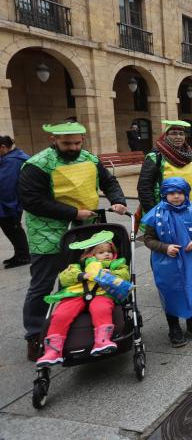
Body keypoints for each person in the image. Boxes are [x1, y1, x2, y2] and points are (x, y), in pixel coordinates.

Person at [18, 122, 126, 361]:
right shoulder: (37, 165)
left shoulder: (89, 158)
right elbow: (32, 200)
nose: (74, 148)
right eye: (67, 143)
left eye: (77, 143)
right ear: (53, 140)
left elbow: (108, 182)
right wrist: (73, 213)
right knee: (42, 284)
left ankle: (83, 325)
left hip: (85, 229)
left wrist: (117, 199)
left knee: (87, 274)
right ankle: (35, 335)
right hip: (48, 232)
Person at [36, 231, 131, 366]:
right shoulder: (79, 265)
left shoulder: (116, 264)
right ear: (91, 254)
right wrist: (81, 275)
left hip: (102, 293)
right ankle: (53, 350)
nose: (106, 254)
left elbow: (125, 275)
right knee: (61, 314)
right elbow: (64, 277)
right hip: (77, 293)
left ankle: (102, 340)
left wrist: (112, 274)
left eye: (109, 251)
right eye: (101, 252)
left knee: (101, 309)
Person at [140, 177, 192, 347]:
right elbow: (148, 239)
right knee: (170, 292)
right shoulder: (156, 214)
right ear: (164, 194)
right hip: (167, 263)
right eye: (171, 193)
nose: (176, 196)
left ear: (186, 193)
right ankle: (174, 327)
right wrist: (165, 247)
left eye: (180, 192)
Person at [137, 120, 192, 215]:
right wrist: (153, 212)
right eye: (173, 133)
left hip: (187, 211)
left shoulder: (190, 158)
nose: (178, 137)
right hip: (161, 212)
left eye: (181, 134)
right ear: (166, 136)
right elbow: (144, 187)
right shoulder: (155, 157)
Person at [0, 135, 30, 269]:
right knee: (12, 228)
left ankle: (23, 256)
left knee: (13, 229)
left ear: (3, 147)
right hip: (12, 203)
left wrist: (9, 206)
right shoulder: (14, 157)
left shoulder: (11, 161)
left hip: (9, 203)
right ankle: (19, 254)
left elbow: (6, 185)